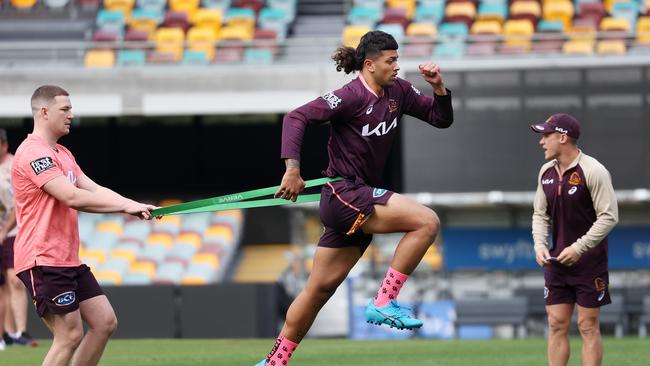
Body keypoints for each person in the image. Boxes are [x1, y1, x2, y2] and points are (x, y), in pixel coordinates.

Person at [255, 31, 454, 366]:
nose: (397, 66)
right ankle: (384, 301)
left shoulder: (400, 92)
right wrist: (292, 169)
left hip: (353, 200)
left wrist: (438, 88)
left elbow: (441, 119)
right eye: (391, 60)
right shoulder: (348, 96)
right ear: (369, 64)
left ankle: (275, 361)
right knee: (426, 221)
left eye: (397, 58)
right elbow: (296, 117)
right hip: (343, 194)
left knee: (317, 291)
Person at [12, 85, 156, 366]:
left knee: (104, 322)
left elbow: (93, 188)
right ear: (44, 112)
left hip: (66, 259)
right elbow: (71, 196)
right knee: (69, 335)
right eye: (65, 109)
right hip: (42, 259)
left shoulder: (63, 153)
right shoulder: (33, 153)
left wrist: (134, 204)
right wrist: (124, 207)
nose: (71, 115)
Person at [530, 113, 618, 366]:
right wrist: (539, 244)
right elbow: (540, 213)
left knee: (587, 326)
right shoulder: (545, 171)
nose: (542, 142)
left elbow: (609, 217)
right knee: (556, 324)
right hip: (556, 262)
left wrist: (579, 247)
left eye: (546, 136)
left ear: (563, 137)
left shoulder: (594, 171)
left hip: (590, 263)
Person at [0, 128, 38, 348]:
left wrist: (5, 229)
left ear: (4, 144)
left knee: (15, 280)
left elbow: (18, 202)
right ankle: (7, 333)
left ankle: (21, 331)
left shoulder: (14, 165)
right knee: (2, 285)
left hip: (14, 231)